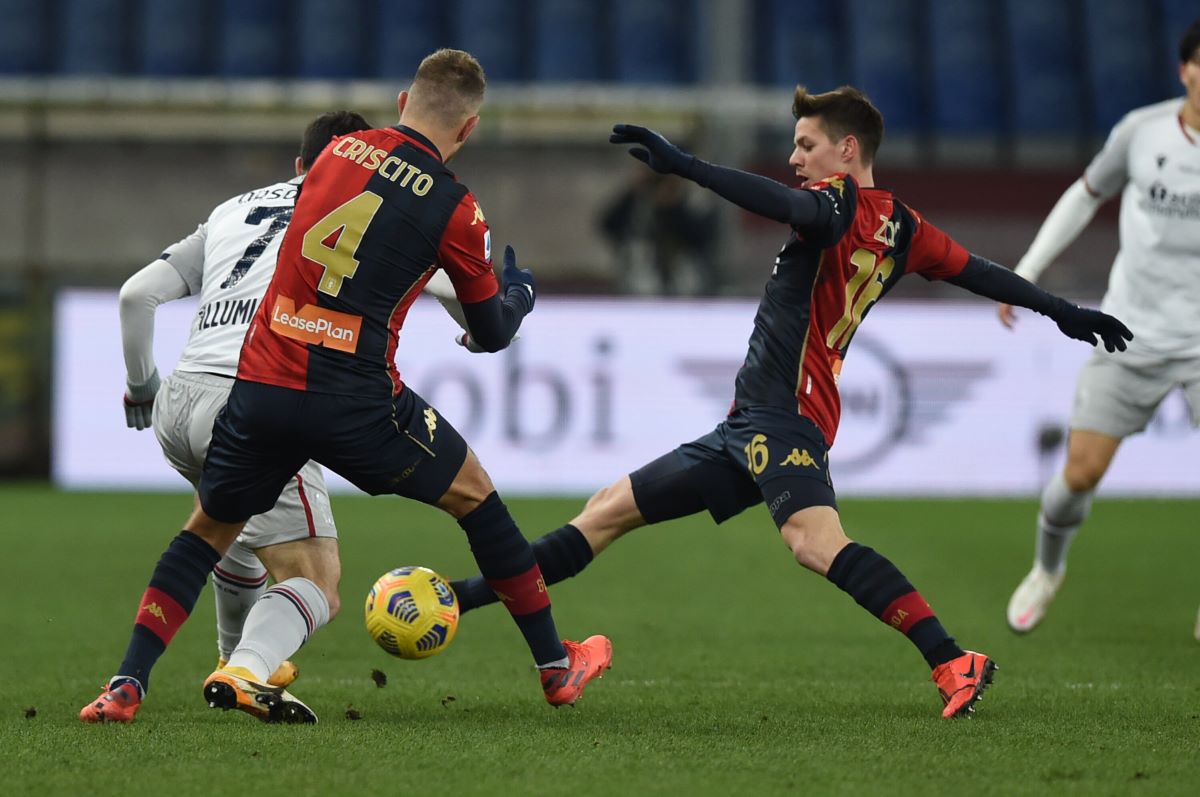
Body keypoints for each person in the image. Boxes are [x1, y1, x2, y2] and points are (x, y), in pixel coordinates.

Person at [450, 86, 1132, 719]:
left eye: (806, 145)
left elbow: (791, 206)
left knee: (813, 542)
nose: (793, 158)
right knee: (606, 510)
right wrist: (1062, 311)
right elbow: (978, 270)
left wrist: (686, 167)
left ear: (848, 150)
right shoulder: (902, 225)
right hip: (749, 424)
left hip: (786, 418)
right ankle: (456, 598)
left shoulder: (833, 206)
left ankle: (954, 659)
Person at [80, 49, 611, 725]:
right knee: (476, 496)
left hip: (264, 380)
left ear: (400, 102)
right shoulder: (456, 208)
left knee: (208, 529)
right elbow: (493, 329)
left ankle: (126, 683)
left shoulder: (337, 155)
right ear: (470, 129)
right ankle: (556, 666)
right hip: (356, 399)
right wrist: (520, 293)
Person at [94, 111, 491, 724]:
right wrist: (475, 333)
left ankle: (206, 671)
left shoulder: (234, 209)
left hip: (181, 401)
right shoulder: (375, 213)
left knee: (226, 531)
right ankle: (244, 667)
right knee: (316, 579)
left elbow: (135, 295)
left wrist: (142, 387)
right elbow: (459, 296)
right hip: (262, 389)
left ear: (299, 164)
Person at [1003, 19, 1200, 637]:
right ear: (1184, 70)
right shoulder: (1142, 131)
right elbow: (1086, 194)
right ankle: (1047, 569)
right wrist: (1030, 271)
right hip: (1130, 332)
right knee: (1079, 474)